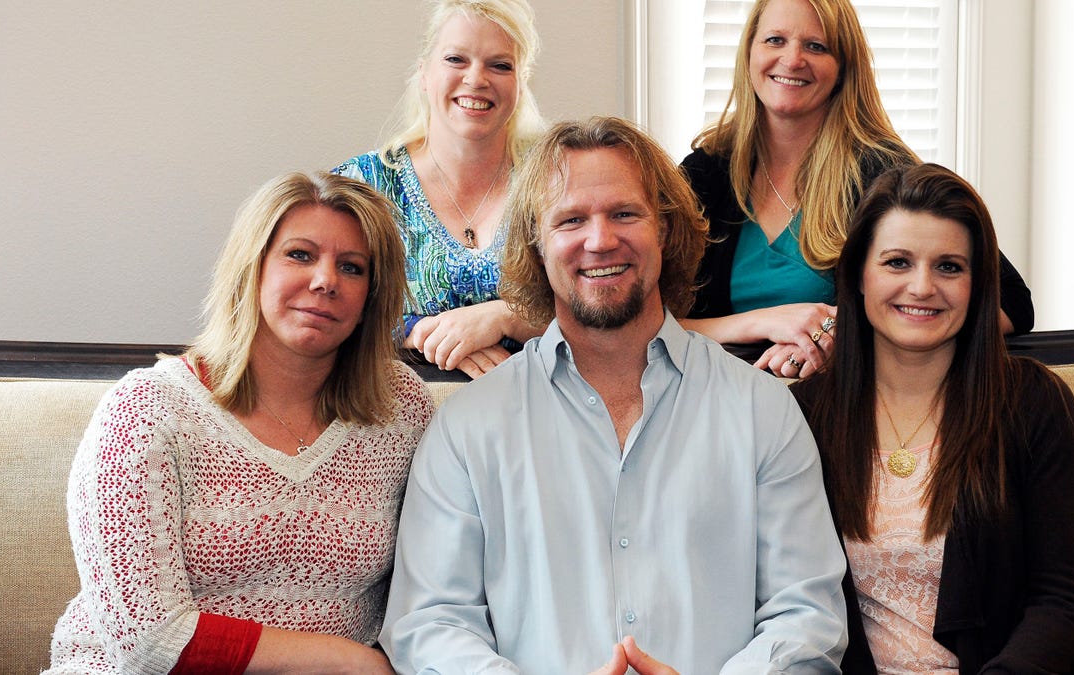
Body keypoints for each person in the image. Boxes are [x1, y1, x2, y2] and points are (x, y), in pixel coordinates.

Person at [382, 117, 848, 674]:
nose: (600, 240)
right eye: (571, 219)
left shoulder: (763, 411)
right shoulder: (468, 428)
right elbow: (429, 624)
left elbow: (807, 617)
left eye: (625, 214)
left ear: (667, 231)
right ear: (535, 244)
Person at [45, 172, 435, 674]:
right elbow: (150, 638)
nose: (325, 281)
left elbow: (437, 588)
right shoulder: (147, 410)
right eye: (300, 255)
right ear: (252, 269)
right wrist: (348, 662)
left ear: (371, 299)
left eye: (352, 267)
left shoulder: (401, 410)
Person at [791, 163, 1074, 673]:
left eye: (949, 267)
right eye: (897, 262)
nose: (922, 287)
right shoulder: (805, 416)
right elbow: (787, 604)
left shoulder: (1032, 402)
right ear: (856, 275)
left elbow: (1062, 603)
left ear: (977, 284)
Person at [679, 0, 1033, 380]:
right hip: (714, 403)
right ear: (749, 52)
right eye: (775, 40)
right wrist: (764, 324)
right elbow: (643, 321)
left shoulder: (883, 174)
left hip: (843, 406)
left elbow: (1010, 303)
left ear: (843, 68)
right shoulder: (704, 174)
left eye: (816, 46)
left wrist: (843, 337)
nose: (793, 59)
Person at [335, 0, 546, 379]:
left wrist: (506, 317)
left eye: (500, 65)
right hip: (394, 418)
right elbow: (324, 302)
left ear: (521, 81)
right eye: (456, 60)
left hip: (540, 414)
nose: (476, 79)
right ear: (424, 73)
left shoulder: (554, 183)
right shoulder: (363, 187)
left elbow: (601, 305)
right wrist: (428, 334)